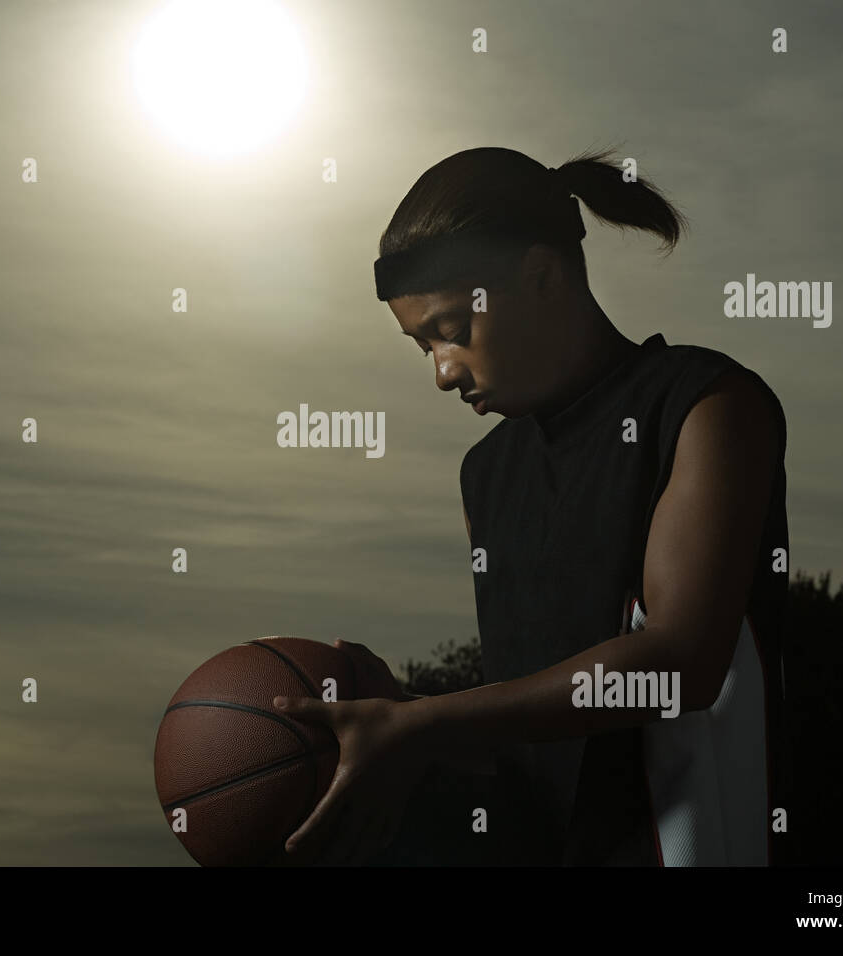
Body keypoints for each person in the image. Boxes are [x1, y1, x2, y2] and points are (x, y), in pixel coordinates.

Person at [274, 147, 790, 866]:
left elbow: (680, 665)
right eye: (420, 346)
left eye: (453, 331)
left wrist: (425, 722)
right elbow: (540, 739)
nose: (442, 372)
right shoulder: (486, 473)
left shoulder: (704, 404)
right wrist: (383, 714)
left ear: (543, 275)